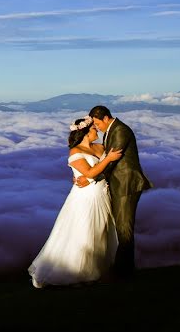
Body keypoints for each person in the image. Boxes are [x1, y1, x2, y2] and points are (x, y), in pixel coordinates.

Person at [28, 116, 121, 288]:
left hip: (101, 193)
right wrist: (106, 161)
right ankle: (78, 272)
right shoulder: (75, 152)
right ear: (85, 132)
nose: (97, 131)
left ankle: (99, 269)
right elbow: (91, 172)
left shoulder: (100, 147)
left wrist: (96, 173)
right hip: (85, 197)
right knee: (85, 230)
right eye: (93, 129)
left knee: (102, 229)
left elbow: (105, 171)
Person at [74, 105, 153, 280]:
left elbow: (111, 162)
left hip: (126, 185)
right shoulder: (111, 130)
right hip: (117, 185)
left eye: (96, 123)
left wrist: (89, 178)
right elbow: (103, 159)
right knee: (121, 228)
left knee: (124, 229)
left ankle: (123, 273)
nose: (96, 127)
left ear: (105, 118)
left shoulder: (120, 131)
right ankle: (123, 270)